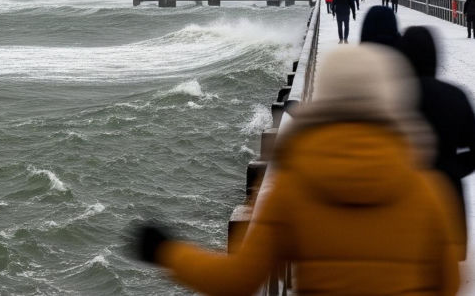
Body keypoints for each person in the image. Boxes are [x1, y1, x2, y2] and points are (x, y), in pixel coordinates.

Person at [127, 45, 462, 294]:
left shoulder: (293, 186)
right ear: (389, 99)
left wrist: (166, 251)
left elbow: (238, 279)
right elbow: (448, 284)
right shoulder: (426, 189)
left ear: (325, 97)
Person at [400, 25, 475, 254]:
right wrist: (453, 168)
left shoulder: (393, 97)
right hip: (447, 195)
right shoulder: (453, 96)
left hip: (402, 198)